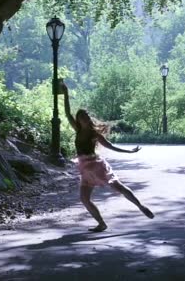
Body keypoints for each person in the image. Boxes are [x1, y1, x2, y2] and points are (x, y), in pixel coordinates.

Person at [60, 83, 154, 232]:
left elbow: (109, 146)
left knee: (119, 187)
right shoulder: (77, 130)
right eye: (81, 117)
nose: (83, 119)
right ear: (78, 120)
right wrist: (65, 93)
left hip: (96, 166)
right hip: (85, 168)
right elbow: (66, 113)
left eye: (85, 116)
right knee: (84, 199)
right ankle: (101, 223)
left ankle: (140, 206)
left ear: (88, 119)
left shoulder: (94, 134)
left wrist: (129, 152)